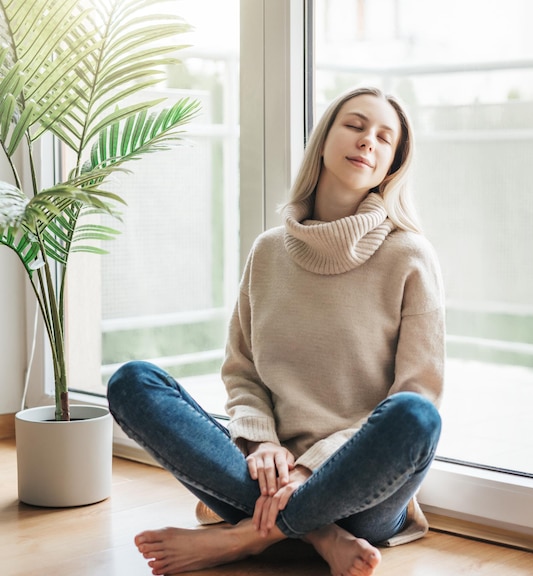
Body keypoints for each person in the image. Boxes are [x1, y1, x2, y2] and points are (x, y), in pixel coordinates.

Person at [107, 86, 445, 576]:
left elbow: (419, 391)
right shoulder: (268, 252)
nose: (367, 140)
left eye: (383, 138)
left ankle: (246, 537)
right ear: (324, 139)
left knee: (415, 417)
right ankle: (319, 535)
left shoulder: (410, 256)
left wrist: (313, 468)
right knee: (132, 382)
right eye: (354, 125)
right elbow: (242, 372)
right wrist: (264, 443)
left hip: (361, 495)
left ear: (391, 166)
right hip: (261, 476)